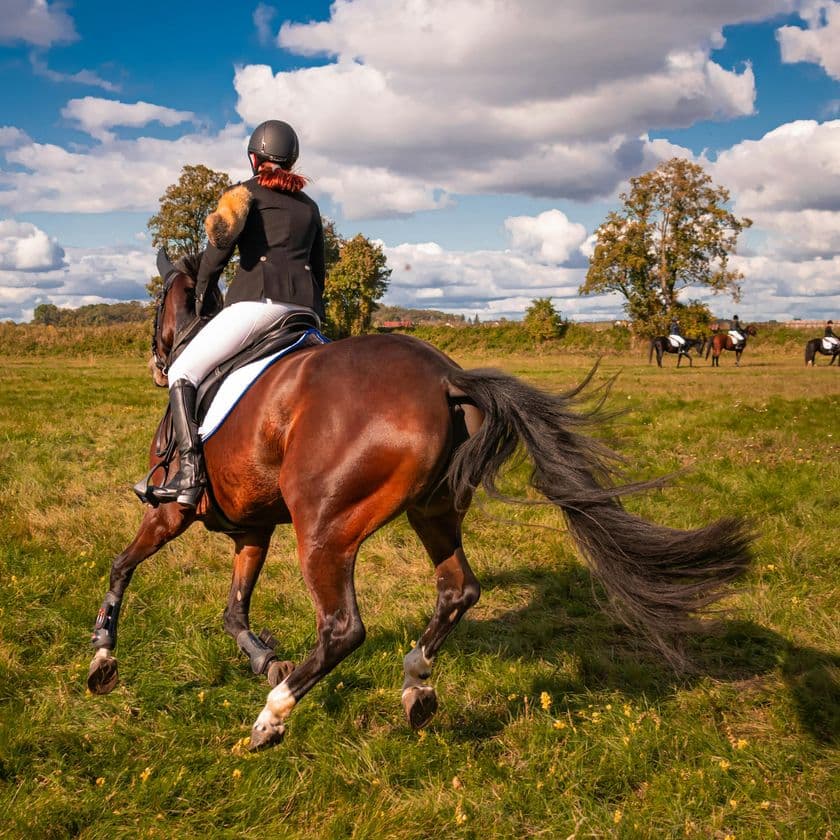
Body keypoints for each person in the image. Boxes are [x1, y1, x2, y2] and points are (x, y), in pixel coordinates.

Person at [148, 119, 326, 507]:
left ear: (252, 157)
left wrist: (201, 295)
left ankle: (190, 474)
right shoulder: (310, 208)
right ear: (292, 160)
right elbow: (320, 270)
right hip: (305, 314)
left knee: (182, 371)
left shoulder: (240, 195)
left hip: (257, 307)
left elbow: (216, 255)